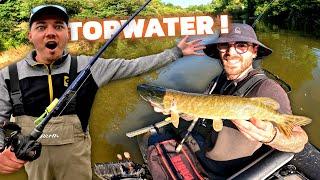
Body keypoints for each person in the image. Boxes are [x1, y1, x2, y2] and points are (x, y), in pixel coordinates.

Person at [0, 4, 205, 179]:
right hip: (32, 160)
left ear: (67, 34)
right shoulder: (7, 75)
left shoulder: (90, 66)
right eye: (41, 27)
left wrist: (175, 52)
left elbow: (135, 65)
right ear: (30, 35)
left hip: (75, 159)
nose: (50, 32)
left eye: (59, 26)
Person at [151, 23, 309, 178]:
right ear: (219, 51)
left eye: (241, 46)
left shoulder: (268, 89)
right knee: (154, 140)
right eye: (224, 45)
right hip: (206, 149)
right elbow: (197, 112)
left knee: (155, 143)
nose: (230, 52)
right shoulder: (219, 80)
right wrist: (179, 109)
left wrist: (271, 136)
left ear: (254, 51)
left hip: (222, 170)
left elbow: (299, 140)